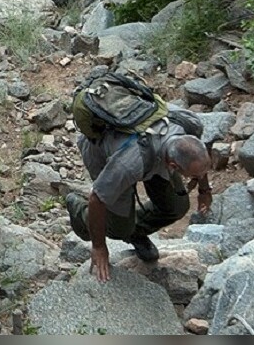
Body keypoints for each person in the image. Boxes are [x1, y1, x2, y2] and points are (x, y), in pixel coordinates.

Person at [65, 113, 213, 282]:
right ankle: (76, 207)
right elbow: (97, 198)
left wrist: (204, 190)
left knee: (177, 206)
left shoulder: (189, 127)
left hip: (152, 154)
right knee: (118, 229)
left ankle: (135, 232)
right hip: (106, 154)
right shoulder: (128, 165)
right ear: (174, 166)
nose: (200, 176)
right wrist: (99, 246)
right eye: (194, 175)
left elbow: (201, 163)